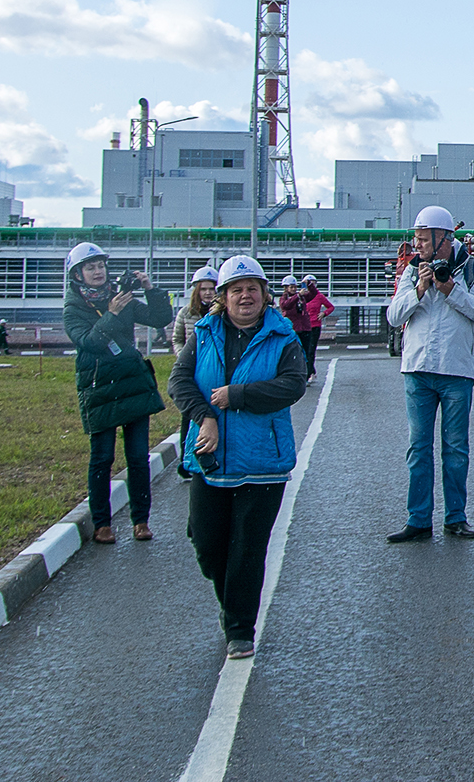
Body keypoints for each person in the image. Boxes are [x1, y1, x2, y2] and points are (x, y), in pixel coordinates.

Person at [169, 254, 307, 660]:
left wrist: (238, 397)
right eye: (236, 290)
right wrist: (205, 416)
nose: (244, 296)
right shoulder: (203, 334)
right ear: (223, 298)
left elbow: (292, 386)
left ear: (264, 295)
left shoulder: (283, 337)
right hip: (209, 459)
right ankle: (231, 606)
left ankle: (239, 628)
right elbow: (179, 380)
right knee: (208, 545)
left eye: (252, 289)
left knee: (247, 547)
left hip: (263, 461)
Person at [385, 205, 474, 543]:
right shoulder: (411, 271)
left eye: (421, 239)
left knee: (455, 448)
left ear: (442, 238)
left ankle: (455, 518)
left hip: (456, 370)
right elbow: (393, 316)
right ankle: (418, 520)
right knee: (418, 448)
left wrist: (450, 291)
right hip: (417, 370)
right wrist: (420, 290)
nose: (416, 245)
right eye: (416, 239)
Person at [62, 242, 173, 544]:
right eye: (90, 267)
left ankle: (141, 521)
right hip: (99, 388)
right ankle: (102, 524)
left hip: (133, 384)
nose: (98, 272)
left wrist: (150, 288)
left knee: (137, 458)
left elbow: (160, 318)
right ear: (77, 274)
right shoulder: (73, 308)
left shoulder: (121, 297)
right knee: (102, 458)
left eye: (100, 266)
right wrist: (111, 314)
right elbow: (89, 341)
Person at [293, 274, 334, 384]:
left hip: (315, 326)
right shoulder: (302, 296)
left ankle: (309, 373)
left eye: (312, 283)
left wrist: (324, 313)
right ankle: (310, 370)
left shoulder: (319, 296)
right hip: (304, 326)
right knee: (303, 350)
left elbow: (330, 307)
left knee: (311, 350)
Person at [172, 264, 219, 351]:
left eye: (211, 289)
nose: (208, 293)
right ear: (197, 291)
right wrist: (183, 358)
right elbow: (177, 340)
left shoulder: (225, 312)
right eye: (203, 289)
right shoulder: (185, 313)